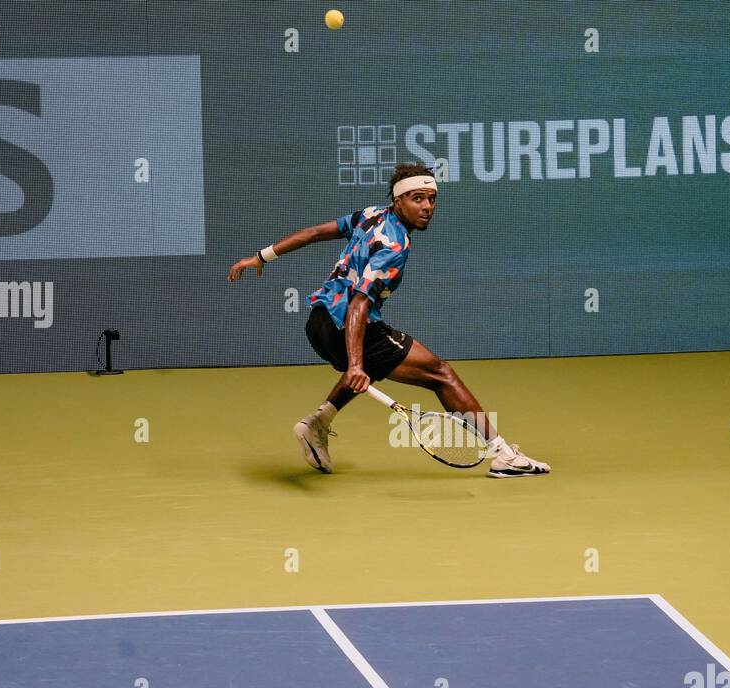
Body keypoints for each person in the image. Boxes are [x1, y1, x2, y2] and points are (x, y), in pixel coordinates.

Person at [228, 163, 549, 478]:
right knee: (441, 374)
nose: (427, 207)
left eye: (431, 199)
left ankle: (318, 423)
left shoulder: (370, 215)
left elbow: (313, 233)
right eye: (417, 199)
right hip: (348, 324)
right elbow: (358, 304)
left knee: (374, 362)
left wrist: (261, 256)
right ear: (399, 201)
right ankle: (503, 454)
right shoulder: (394, 246)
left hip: (318, 323)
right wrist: (354, 363)